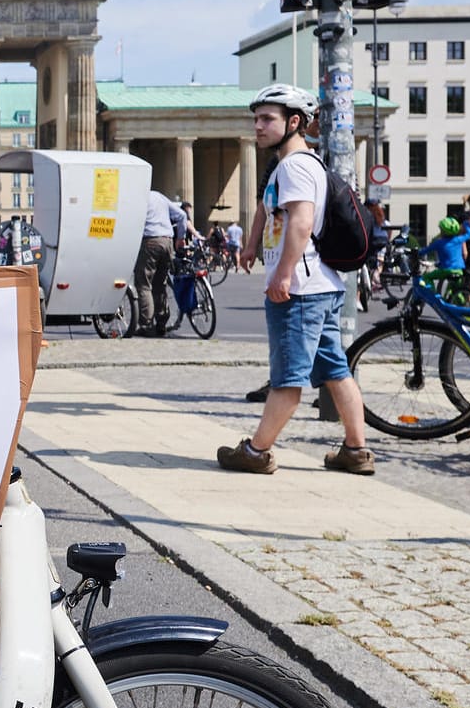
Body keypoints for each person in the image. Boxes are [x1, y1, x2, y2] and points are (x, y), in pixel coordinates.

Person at [219, 84, 374, 476]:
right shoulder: (291, 166)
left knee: (288, 377)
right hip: (321, 286)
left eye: (267, 119)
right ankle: (356, 451)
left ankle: (256, 452)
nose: (258, 125)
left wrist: (283, 274)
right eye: (256, 118)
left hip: (301, 290)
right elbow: (268, 211)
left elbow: (302, 222)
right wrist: (252, 244)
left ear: (294, 122)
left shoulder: (295, 166)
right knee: (336, 370)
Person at [134, 190, 186, 337]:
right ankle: (161, 323)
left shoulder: (139, 197)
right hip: (167, 241)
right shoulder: (158, 196)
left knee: (144, 284)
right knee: (160, 283)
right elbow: (182, 215)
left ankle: (146, 324)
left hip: (150, 241)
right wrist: (180, 238)